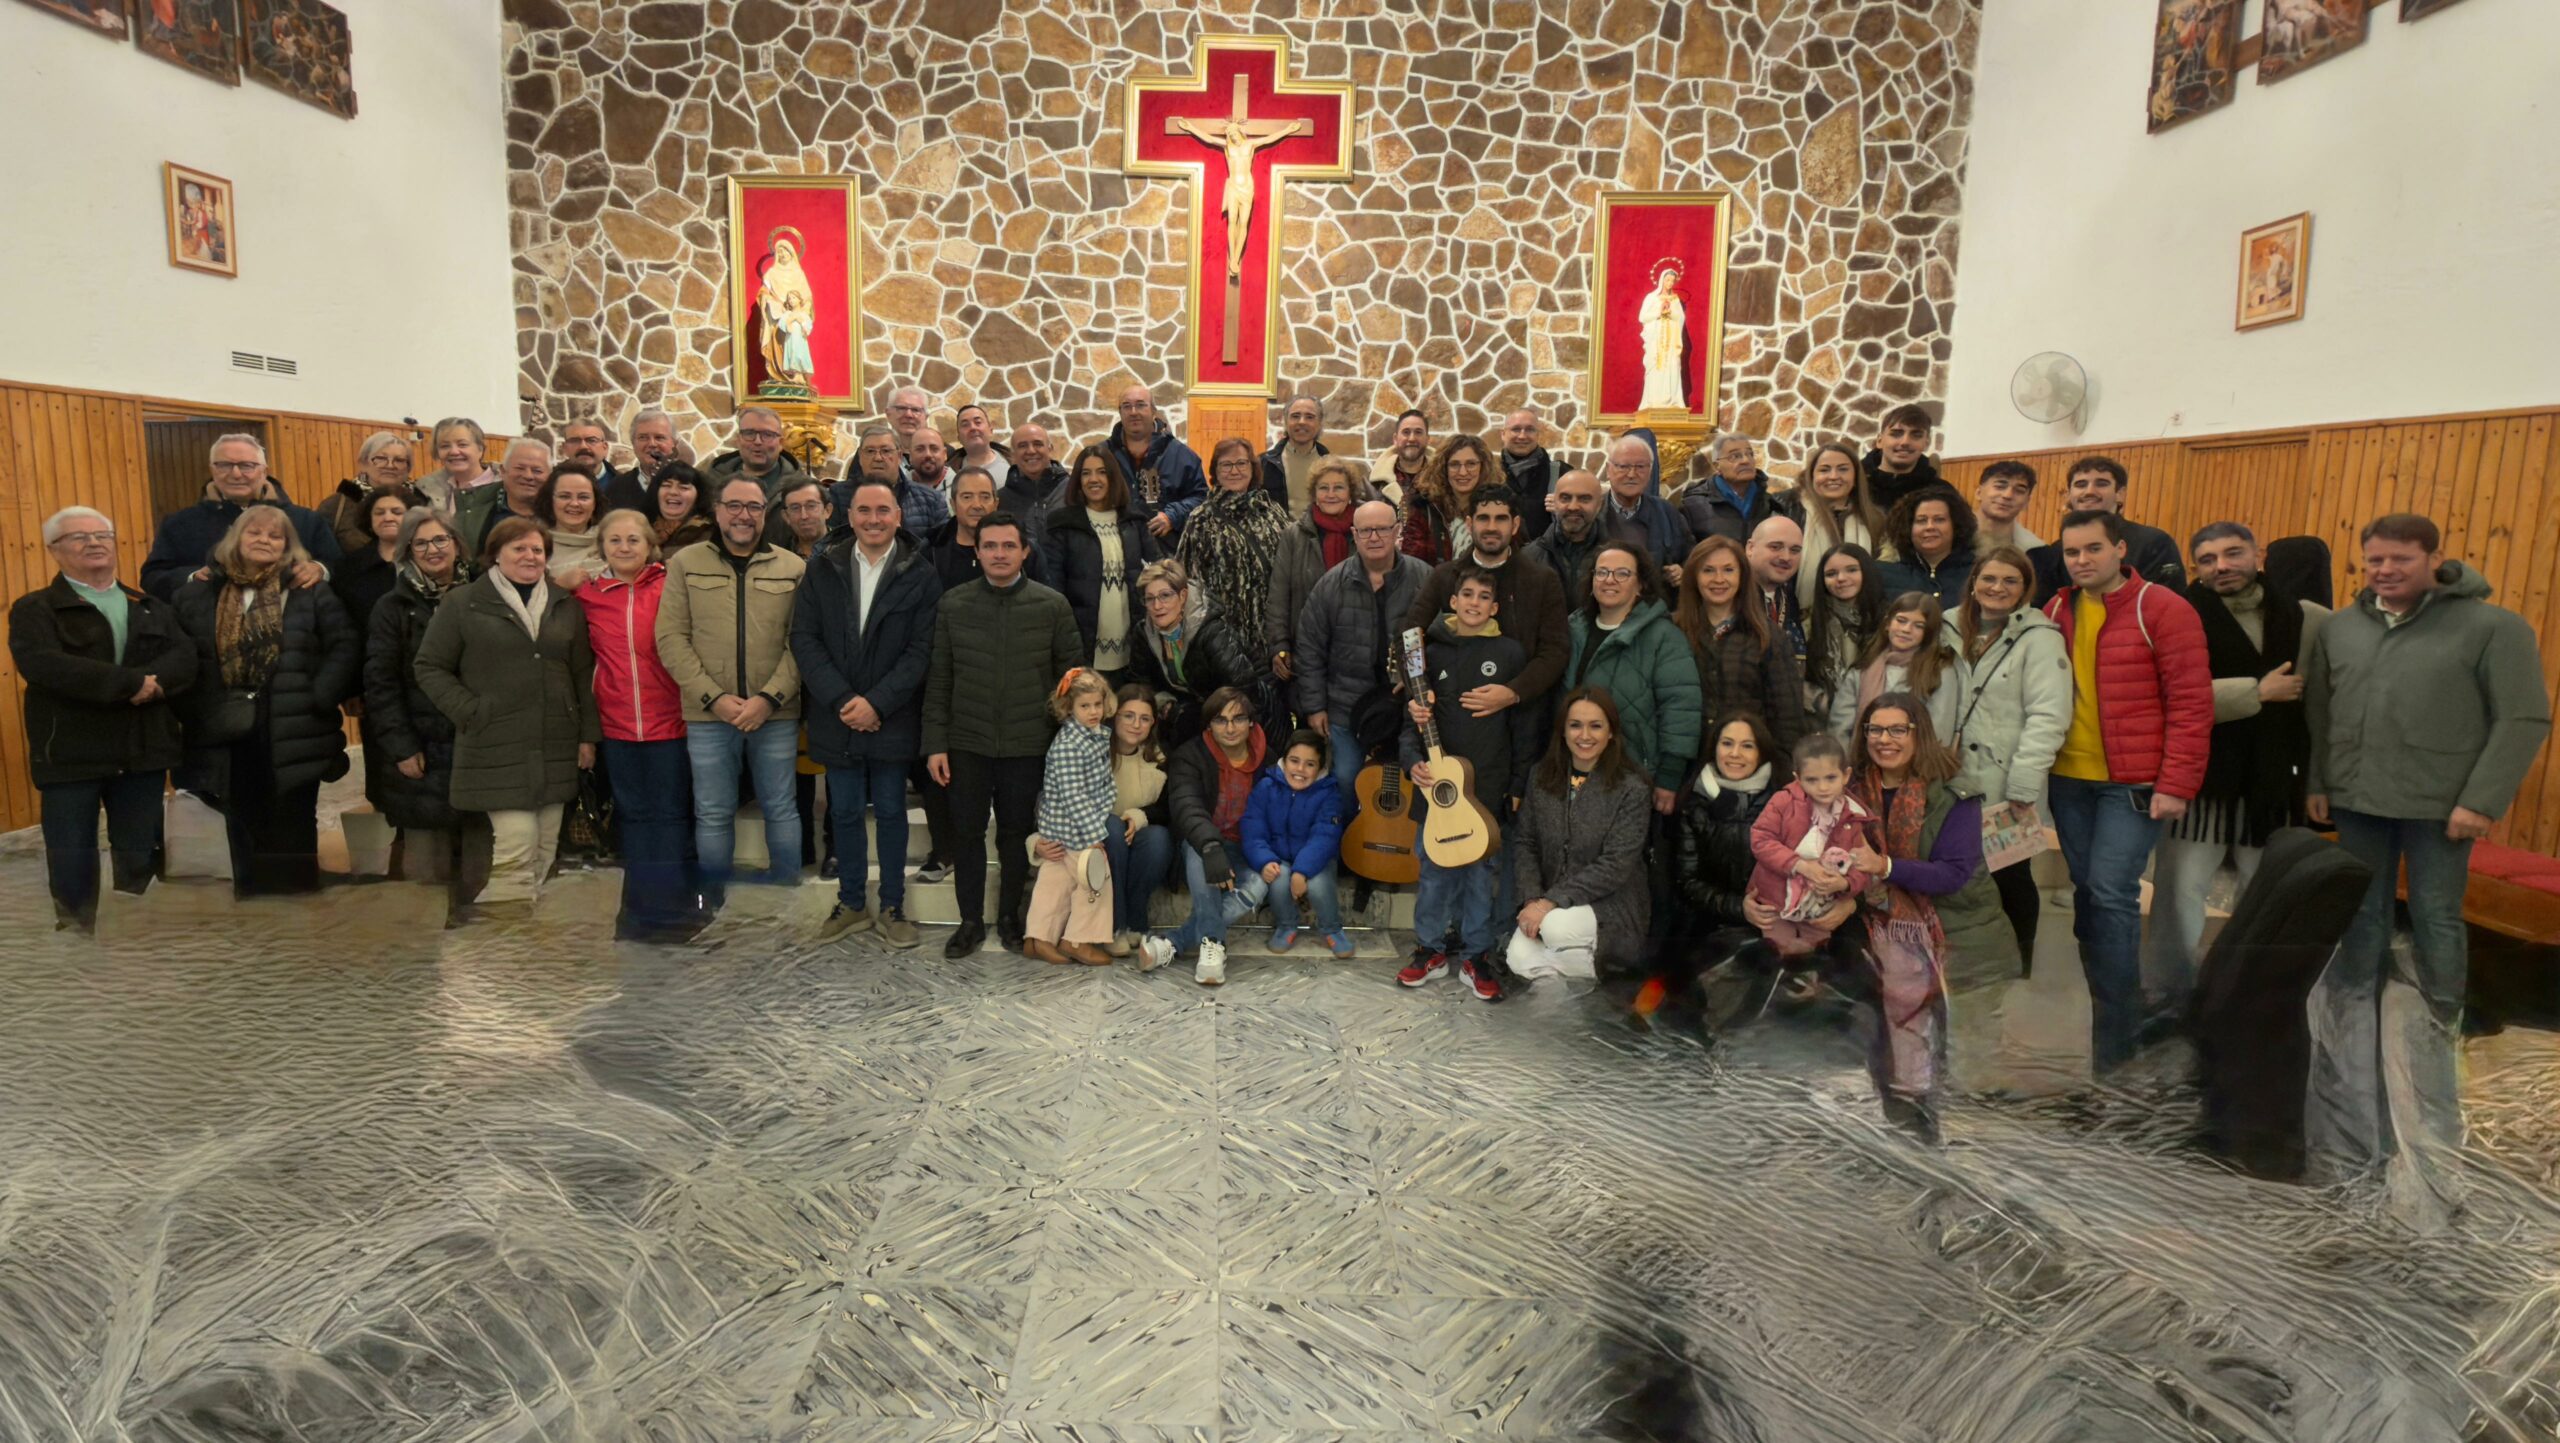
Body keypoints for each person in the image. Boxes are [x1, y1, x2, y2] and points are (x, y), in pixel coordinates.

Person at [2304, 513, 2549, 1209]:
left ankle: (2441, 1025)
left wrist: (2481, 800)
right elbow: (2322, 711)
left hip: (2442, 805)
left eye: (2400, 559)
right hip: (2358, 796)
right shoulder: (2341, 629)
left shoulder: (2491, 628)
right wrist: (2320, 780)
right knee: (2361, 911)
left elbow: (2523, 718)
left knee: (2439, 915)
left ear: (2436, 558)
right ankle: (2355, 1027)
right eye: (2374, 560)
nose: (2385, 571)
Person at [2040, 509, 2212, 1074]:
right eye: (2071, 552)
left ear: (2119, 549)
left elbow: (2191, 703)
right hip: (2069, 781)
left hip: (2132, 784)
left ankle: (2119, 1043)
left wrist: (2176, 783)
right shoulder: (2056, 611)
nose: (2081, 560)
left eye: (2093, 548)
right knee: (2089, 896)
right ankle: (2110, 1015)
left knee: (2112, 893)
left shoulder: (2162, 608)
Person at [2145, 522, 2327, 1007]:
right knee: (2180, 891)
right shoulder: (2177, 614)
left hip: (2273, 780)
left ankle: (2242, 991)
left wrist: (2317, 781)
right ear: (2195, 567)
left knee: (2261, 891)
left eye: (2233, 554)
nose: (2221, 566)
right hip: (2200, 777)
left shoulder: (2305, 618)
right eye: (2208, 559)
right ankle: (2169, 992)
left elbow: (2320, 707)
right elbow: (2166, 696)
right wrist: (2256, 692)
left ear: (2257, 554)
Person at [11, 507, 198, 932]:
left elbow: (185, 658)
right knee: (71, 851)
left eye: (102, 535)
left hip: (143, 747)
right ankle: (76, 931)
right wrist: (132, 684)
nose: (94, 543)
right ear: (54, 550)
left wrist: (154, 685)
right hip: (70, 751)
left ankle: (136, 932)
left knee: (139, 848)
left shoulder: (148, 605)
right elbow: (44, 665)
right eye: (79, 537)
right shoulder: (36, 608)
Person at [1829, 692, 2003, 1141]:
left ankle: (1918, 1124)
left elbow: (1953, 875)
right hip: (1868, 918)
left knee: (1916, 1021)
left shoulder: (1952, 794)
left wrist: (1885, 867)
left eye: (1897, 730)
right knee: (1861, 1016)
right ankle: (1883, 1118)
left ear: (1918, 734)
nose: (1884, 740)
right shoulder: (1847, 788)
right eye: (1875, 729)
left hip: (1940, 924)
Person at [413, 518, 600, 917]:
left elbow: (582, 673)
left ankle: (529, 932)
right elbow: (429, 666)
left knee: (546, 846)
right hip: (494, 742)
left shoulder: (565, 605)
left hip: (555, 742)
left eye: (537, 550)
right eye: (519, 548)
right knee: (517, 844)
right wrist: (470, 710)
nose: (529, 556)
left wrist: (587, 735)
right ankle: (504, 937)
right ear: (496, 554)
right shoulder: (463, 603)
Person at [171, 505, 356, 896]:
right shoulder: (199, 593)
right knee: (241, 815)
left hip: (296, 721)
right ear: (235, 538)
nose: (264, 541)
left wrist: (319, 695)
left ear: (288, 545)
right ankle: (254, 899)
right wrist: (197, 707)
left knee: (294, 816)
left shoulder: (310, 590)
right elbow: (183, 655)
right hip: (227, 723)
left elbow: (344, 645)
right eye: (254, 533)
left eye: (275, 536)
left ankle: (298, 898)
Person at [923, 510, 1084, 958]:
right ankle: (970, 922)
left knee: (1016, 835)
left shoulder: (1052, 606)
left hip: (1027, 745)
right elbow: (939, 679)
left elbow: (1072, 681)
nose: (999, 553)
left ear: (1025, 551)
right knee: (967, 834)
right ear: (976, 552)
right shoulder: (953, 604)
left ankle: (1011, 917)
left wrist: (1065, 744)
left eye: (1008, 545)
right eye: (990, 546)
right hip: (967, 742)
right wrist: (935, 743)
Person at [794, 477, 941, 950]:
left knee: (893, 812)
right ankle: (852, 902)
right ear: (849, 516)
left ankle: (893, 906)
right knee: (845, 811)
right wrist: (844, 701)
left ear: (898, 516)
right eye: (864, 510)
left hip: (891, 715)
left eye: (883, 511)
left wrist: (876, 703)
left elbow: (921, 650)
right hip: (836, 714)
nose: (873, 519)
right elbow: (804, 639)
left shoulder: (920, 573)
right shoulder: (823, 568)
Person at [657, 476, 807, 906]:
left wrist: (769, 698)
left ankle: (786, 897)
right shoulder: (685, 563)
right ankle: (712, 901)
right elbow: (670, 637)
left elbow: (803, 641)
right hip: (708, 714)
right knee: (713, 812)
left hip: (775, 713)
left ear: (765, 514)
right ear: (718, 511)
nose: (744, 515)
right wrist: (714, 698)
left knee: (781, 808)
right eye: (734, 506)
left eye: (754, 507)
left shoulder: (793, 567)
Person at [1398, 564, 1539, 998]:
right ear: (1453, 602)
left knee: (1481, 874)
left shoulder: (1511, 654)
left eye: (1484, 596)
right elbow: (1411, 724)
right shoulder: (1429, 653)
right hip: (1437, 790)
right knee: (1433, 872)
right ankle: (1430, 948)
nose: (1474, 603)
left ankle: (1477, 954)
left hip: (1488, 788)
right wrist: (1412, 763)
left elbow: (1524, 725)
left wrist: (1518, 783)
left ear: (1494, 607)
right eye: (1468, 595)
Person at [576, 509, 700, 942]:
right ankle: (637, 914)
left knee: (671, 818)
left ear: (650, 545)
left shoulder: (672, 587)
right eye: (615, 540)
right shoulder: (587, 595)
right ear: (602, 548)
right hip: (617, 727)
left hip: (671, 723)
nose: (624, 547)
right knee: (633, 819)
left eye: (634, 539)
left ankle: (676, 912)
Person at [1950, 546, 2069, 966]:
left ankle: (2017, 963)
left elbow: (2049, 714)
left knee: (2009, 873)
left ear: (2025, 588)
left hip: (2005, 779)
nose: (1997, 587)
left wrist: (2025, 780)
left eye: (2009, 580)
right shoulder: (1947, 628)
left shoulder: (2041, 638)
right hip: (1949, 774)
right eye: (1989, 578)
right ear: (1973, 583)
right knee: (1954, 871)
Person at [1507, 688, 1654, 980]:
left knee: (1554, 930)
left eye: (1595, 726)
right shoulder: (1541, 776)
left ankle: (1600, 962)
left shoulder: (1632, 787)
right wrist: (1532, 899)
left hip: (1610, 905)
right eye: (1575, 725)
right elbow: (1525, 842)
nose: (1584, 735)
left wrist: (1548, 904)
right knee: (1518, 958)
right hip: (1551, 900)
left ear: (1611, 732)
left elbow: (1615, 865)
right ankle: (1575, 977)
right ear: (1563, 731)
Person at [1295, 498, 1431, 799]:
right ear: (1354, 535)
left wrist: (1414, 682)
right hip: (1347, 707)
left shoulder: (1423, 579)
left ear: (1397, 530)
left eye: (1382, 529)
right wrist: (1315, 707)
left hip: (1408, 708)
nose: (1374, 537)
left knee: (1415, 785)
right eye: (1366, 530)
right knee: (1346, 779)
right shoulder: (1331, 585)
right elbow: (1309, 648)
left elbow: (1437, 638)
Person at [362, 509, 468, 886]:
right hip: (421, 748)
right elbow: (380, 683)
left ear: (457, 544)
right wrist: (402, 747)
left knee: (481, 869)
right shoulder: (392, 607)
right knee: (427, 872)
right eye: (420, 544)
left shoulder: (485, 595)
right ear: (407, 552)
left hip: (475, 743)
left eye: (440, 539)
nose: (432, 550)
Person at [1139, 686, 1271, 984]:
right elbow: (1187, 806)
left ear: (1251, 722)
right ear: (1209, 724)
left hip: (1248, 848)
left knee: (1260, 882)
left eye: (1238, 719)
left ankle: (1174, 942)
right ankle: (1213, 945)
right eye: (1220, 720)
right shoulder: (1190, 756)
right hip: (1202, 843)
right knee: (1201, 853)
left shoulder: (1267, 758)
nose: (1230, 728)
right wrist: (1211, 847)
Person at [1564, 541, 1700, 816]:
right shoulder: (1572, 628)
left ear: (1640, 585)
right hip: (1574, 770)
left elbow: (1681, 709)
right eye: (1602, 572)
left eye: (1622, 573)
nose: (1609, 580)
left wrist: (1669, 777)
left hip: (1635, 777)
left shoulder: (1664, 637)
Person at [143, 434, 341, 601]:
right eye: (224, 465)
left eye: (247, 466)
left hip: (293, 628)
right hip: (203, 627)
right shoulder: (180, 523)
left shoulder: (306, 520)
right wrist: (192, 577)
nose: (236, 474)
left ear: (264, 471)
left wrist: (319, 569)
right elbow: (151, 578)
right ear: (212, 470)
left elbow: (339, 566)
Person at [1748, 732, 1878, 957]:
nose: (1823, 787)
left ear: (1846, 775)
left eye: (1830, 778)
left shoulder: (1852, 817)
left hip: (1820, 907)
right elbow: (1761, 839)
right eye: (1812, 780)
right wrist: (1800, 865)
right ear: (1797, 778)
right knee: (1779, 952)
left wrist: (1845, 884)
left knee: (1815, 954)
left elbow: (1861, 867)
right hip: (1776, 902)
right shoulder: (1783, 802)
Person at [1676, 534, 1806, 755]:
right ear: (1693, 577)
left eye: (1728, 570)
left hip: (1749, 761)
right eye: (1708, 570)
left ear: (1742, 576)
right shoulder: (1672, 632)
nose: (1719, 579)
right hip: (1687, 760)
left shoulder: (1768, 636)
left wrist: (1781, 767)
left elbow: (1788, 717)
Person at [1025, 669, 1119, 966]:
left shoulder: (1093, 736)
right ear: (1069, 707)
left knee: (1054, 883)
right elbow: (1073, 796)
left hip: (1064, 828)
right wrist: (1094, 837)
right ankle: (1078, 940)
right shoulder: (1069, 745)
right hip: (1074, 829)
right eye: (1084, 706)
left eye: (1097, 704)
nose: (1093, 712)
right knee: (1095, 878)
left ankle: (1038, 938)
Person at [1045, 443, 1161, 682]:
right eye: (1086, 473)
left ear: (1113, 477)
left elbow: (1158, 570)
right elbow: (1054, 589)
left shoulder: (1134, 521)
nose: (1093, 479)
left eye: (1101, 472)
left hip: (1132, 646)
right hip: (1083, 646)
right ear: (1078, 480)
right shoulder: (1062, 525)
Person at [1265, 459, 1371, 715]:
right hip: (1308, 651)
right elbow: (1279, 596)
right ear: (1314, 494)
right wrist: (1279, 645)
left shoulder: (1367, 532)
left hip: (1358, 650)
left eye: (1339, 487)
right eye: (1324, 488)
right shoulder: (1294, 535)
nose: (1331, 494)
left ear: (1350, 492)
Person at [1670, 714, 1780, 950]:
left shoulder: (1785, 802)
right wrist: (1739, 907)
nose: (1735, 754)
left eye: (1747, 746)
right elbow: (1687, 882)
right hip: (1709, 928)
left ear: (1761, 752)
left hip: (1779, 923)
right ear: (1714, 748)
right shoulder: (1693, 804)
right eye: (1727, 743)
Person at [1176, 437, 1289, 667]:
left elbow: (1288, 572)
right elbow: (1187, 583)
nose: (1234, 471)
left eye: (1241, 463)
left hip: (1271, 640)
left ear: (1253, 468)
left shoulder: (1272, 512)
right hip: (1222, 644)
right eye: (1226, 465)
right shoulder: (1201, 519)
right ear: (1215, 471)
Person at [1242, 729, 1355, 957]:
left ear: (1320, 768)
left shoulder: (1329, 793)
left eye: (1310, 764)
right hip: (1278, 856)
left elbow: (1325, 836)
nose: (1300, 769)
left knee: (1319, 884)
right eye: (1294, 761)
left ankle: (1332, 927)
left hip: (1316, 860)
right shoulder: (1266, 787)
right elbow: (1253, 829)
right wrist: (1264, 860)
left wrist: (1302, 871)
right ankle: (1286, 925)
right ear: (1284, 761)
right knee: (1278, 877)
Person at [1129, 558, 1259, 750]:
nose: (1157, 606)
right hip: (1186, 716)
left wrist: (1210, 718)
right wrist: (1163, 701)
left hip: (1240, 714)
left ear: (1182, 596)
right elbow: (1140, 683)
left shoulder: (1211, 631)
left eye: (1165, 596)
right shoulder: (1143, 633)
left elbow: (1244, 687)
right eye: (1150, 598)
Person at [2026, 457, 2186, 602]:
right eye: (2081, 485)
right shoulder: (2055, 551)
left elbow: (2168, 605)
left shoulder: (2153, 543)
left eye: (2101, 484)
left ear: (2120, 494)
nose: (2089, 491)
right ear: (2069, 495)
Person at [1828, 591, 1964, 742]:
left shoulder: (1940, 672)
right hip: (1860, 755)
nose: (1906, 629)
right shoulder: (1863, 668)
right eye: (1901, 620)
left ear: (1928, 633)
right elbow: (1839, 729)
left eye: (1918, 626)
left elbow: (1939, 734)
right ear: (1888, 623)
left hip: (1917, 755)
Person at [1104, 685, 1177, 960]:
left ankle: (1136, 920)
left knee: (1159, 839)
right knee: (1112, 829)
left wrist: (1140, 816)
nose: (1136, 725)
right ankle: (1115, 925)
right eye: (1128, 716)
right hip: (1100, 836)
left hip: (1139, 836)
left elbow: (1169, 807)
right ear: (1114, 716)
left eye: (1144, 718)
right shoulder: (1095, 750)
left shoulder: (1161, 756)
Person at [1780, 441, 1887, 608]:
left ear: (1855, 477)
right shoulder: (1788, 512)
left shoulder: (1875, 520)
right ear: (1811, 476)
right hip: (1796, 613)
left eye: (1843, 469)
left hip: (1861, 616)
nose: (1833, 476)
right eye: (1824, 470)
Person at [1103, 384, 1206, 541]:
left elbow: (1201, 498)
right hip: (1114, 547)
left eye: (1140, 405)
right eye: (1127, 406)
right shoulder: (1102, 455)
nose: (1133, 412)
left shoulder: (1181, 456)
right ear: (1120, 412)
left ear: (1153, 411)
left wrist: (1172, 516)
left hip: (1165, 550)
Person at [331, 488, 412, 676]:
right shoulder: (349, 567)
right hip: (367, 667)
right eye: (379, 513)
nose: (388, 517)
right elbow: (343, 628)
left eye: (397, 512)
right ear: (369, 520)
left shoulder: (427, 562)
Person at [1803, 543, 1888, 723]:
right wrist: (1821, 702)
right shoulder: (1809, 624)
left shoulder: (1890, 623)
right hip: (1824, 722)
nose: (1841, 578)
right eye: (1831, 574)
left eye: (1851, 570)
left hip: (1881, 718)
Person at [928, 465, 1046, 589]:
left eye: (985, 497)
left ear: (996, 504)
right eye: (967, 497)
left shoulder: (1025, 550)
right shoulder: (933, 550)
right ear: (953, 504)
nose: (977, 505)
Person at [1600, 436, 1691, 584]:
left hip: (1655, 596)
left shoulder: (1667, 512)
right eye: (1623, 466)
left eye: (1640, 467)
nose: (1631, 474)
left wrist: (1682, 570)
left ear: (1650, 471)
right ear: (1608, 470)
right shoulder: (1593, 511)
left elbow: (1691, 555)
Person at [315, 430, 419, 558]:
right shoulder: (337, 506)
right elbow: (321, 554)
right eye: (380, 458)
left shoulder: (423, 501)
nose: (390, 465)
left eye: (399, 460)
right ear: (363, 463)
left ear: (408, 467)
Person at [1878, 484, 1980, 612]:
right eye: (1921, 521)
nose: (1930, 527)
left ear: (1955, 525)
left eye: (1939, 520)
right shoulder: (1882, 572)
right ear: (1908, 527)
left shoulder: (1977, 572)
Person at [1400, 434, 1495, 566]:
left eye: (1471, 464)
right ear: (1443, 468)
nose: (1463, 472)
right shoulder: (1424, 508)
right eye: (1454, 465)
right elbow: (1413, 565)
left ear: (1483, 467)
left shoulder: (1499, 506)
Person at [456, 439, 552, 561]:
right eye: (520, 468)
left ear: (550, 475)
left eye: (537, 471)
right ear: (502, 471)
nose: (528, 476)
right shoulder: (473, 514)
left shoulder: (560, 514)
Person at [1679, 433, 1781, 546]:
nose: (1746, 460)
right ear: (1717, 466)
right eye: (1735, 456)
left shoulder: (1770, 504)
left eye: (1750, 454)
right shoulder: (1694, 505)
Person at [1523, 468, 1606, 597]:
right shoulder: (1529, 558)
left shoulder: (1618, 557)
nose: (1573, 507)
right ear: (1554, 502)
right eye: (1565, 498)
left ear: (1599, 505)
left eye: (1584, 499)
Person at [1744, 515, 1808, 666]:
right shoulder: (1730, 597)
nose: (1786, 557)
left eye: (1795, 550)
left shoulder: (1790, 598)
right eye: (1775, 547)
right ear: (1750, 548)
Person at [1863, 403, 1943, 516]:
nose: (1905, 442)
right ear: (1879, 441)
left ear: (1926, 443)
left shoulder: (1940, 493)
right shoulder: (1854, 485)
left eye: (1916, 435)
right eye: (1896, 434)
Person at [1495, 406, 1560, 540]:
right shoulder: (1489, 473)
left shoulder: (1561, 473)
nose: (1522, 436)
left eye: (1530, 430)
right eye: (1516, 429)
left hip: (1546, 551)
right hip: (1499, 550)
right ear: (1503, 434)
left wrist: (1565, 509)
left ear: (1538, 435)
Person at [704, 404, 804, 490]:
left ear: (780, 443)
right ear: (738, 440)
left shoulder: (800, 487)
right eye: (749, 433)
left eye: (767, 434)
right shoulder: (713, 483)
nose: (757, 441)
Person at [536, 462, 604, 588]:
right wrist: (559, 586)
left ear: (595, 503)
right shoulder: (534, 545)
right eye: (564, 496)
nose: (574, 503)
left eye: (583, 497)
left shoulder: (611, 542)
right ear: (550, 501)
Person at [997, 422, 1069, 539]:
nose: (1031, 451)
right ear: (1013, 454)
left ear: (1050, 448)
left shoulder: (1072, 490)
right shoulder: (1001, 500)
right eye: (1022, 446)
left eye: (1038, 444)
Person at [560, 417, 644, 515]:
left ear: (605, 447)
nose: (583, 446)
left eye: (591, 440)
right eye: (575, 441)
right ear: (564, 448)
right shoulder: (551, 486)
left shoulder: (626, 488)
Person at [1260, 393, 1329, 512]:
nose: (1302, 422)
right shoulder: (1265, 464)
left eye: (1310, 417)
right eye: (1295, 416)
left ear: (1320, 423)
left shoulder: (1330, 464)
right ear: (1286, 422)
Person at [419, 416, 496, 512]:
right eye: (445, 446)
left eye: (462, 444)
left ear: (480, 449)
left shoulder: (505, 484)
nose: (454, 451)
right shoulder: (428, 490)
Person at [1972, 459, 2043, 554]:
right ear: (1978, 493)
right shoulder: (1954, 533)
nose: (2007, 495)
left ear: (2027, 501)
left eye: (2019, 491)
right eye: (2000, 486)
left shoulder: (2033, 549)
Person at [624, 409, 684, 512]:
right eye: (643, 437)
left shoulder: (694, 484)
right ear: (633, 443)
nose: (652, 444)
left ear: (674, 443)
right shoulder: (616, 487)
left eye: (659, 438)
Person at [649, 461, 714, 553]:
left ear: (698, 495)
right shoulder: (643, 528)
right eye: (666, 485)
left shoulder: (708, 534)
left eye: (684, 487)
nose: (673, 492)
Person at [1372, 409, 1431, 509]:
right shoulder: (1375, 484)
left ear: (1427, 439)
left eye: (1418, 432)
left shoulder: (1443, 480)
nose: (1412, 438)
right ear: (1395, 439)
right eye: (1406, 432)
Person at [953, 402, 1011, 496]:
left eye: (978, 422)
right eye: (965, 425)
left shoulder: (1014, 464)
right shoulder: (951, 474)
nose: (972, 428)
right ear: (959, 437)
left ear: (990, 430)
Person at [767, 474, 831, 559]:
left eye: (811, 506)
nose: (804, 516)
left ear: (827, 510)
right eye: (795, 508)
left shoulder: (845, 552)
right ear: (786, 516)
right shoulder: (776, 557)